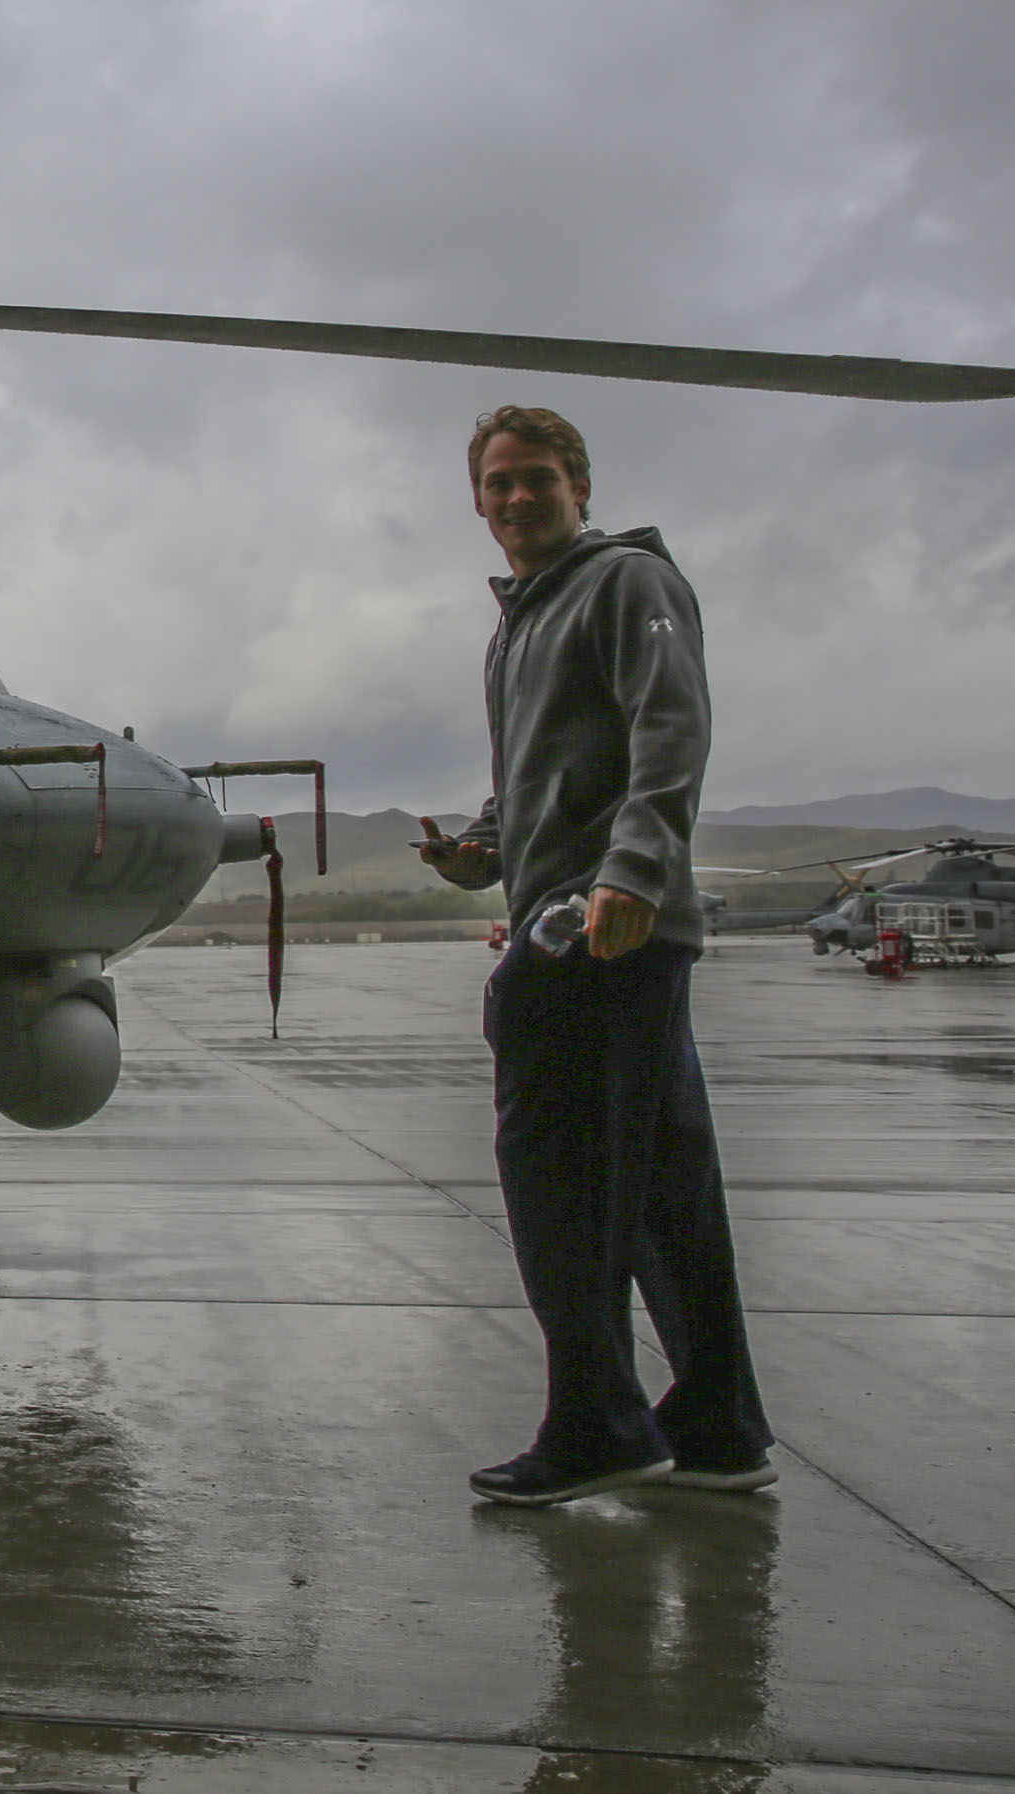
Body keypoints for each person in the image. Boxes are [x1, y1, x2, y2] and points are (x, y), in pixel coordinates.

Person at [417, 405, 774, 1506]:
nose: (516, 499)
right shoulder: (520, 622)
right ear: (475, 502)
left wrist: (630, 872)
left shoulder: (625, 584)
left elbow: (667, 728)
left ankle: (595, 1421)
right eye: (496, 485)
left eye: (536, 479)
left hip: (603, 926)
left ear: (580, 485)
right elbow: (553, 764)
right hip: (580, 912)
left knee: (556, 1180)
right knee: (664, 1188)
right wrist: (483, 847)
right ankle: (715, 1424)